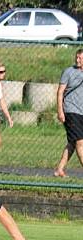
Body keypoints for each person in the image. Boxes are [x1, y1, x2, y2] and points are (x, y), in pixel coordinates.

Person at [54, 49, 83, 178]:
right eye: (76, 57)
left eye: (80, 58)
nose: (77, 60)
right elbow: (60, 92)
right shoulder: (68, 72)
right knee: (80, 142)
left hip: (81, 112)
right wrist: (60, 110)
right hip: (71, 111)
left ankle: (59, 170)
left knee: (72, 142)